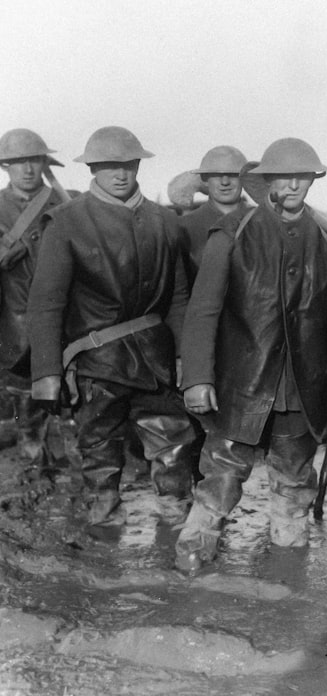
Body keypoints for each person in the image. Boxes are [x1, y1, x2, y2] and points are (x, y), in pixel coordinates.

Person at [176, 138, 327, 571]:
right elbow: (202, 311)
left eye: (302, 176)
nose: (293, 185)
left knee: (293, 485)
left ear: (313, 180)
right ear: (266, 180)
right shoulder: (233, 232)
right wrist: (197, 378)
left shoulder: (326, 238)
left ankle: (288, 579)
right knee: (221, 479)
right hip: (244, 384)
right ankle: (190, 566)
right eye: (283, 176)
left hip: (302, 386)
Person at [28, 126, 198, 527]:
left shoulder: (164, 222)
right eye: (108, 166)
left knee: (173, 447)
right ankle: (104, 542)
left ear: (138, 165)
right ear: (92, 168)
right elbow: (46, 304)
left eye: (128, 165)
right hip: (95, 363)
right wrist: (47, 374)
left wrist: (182, 357)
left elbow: (178, 298)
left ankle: (175, 534)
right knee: (100, 455)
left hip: (155, 361)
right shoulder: (67, 222)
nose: (120, 174)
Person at [0, 129, 72, 465]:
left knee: (71, 380)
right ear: (5, 167)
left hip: (64, 310)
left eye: (34, 161)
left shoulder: (66, 204)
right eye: (18, 162)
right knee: (20, 382)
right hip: (13, 312)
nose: (27, 169)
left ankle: (76, 454)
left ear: (44, 164)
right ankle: (31, 450)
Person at [178, 146, 251, 281]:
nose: (225, 182)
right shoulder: (185, 227)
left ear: (244, 179)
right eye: (217, 175)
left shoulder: (260, 222)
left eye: (233, 175)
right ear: (205, 179)